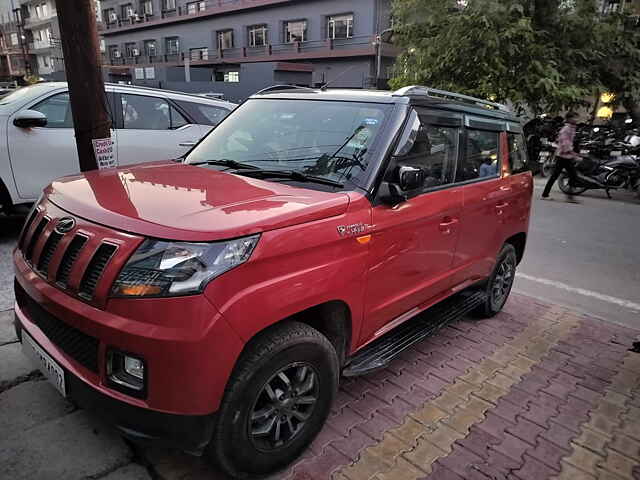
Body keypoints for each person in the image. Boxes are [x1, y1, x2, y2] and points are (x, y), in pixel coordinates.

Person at [541, 111, 581, 203]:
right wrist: (574, 155)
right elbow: (565, 143)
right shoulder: (566, 129)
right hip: (563, 156)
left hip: (565, 156)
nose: (576, 119)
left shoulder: (572, 128)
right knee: (570, 175)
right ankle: (569, 196)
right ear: (569, 119)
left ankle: (567, 196)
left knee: (565, 175)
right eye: (575, 117)